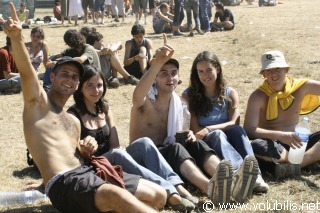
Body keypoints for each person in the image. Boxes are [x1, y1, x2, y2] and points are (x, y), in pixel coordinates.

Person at [2, 3, 158, 213]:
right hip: (64, 183)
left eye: (75, 77)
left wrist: (86, 147)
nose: (70, 79)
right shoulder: (38, 104)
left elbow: (70, 153)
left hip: (88, 172)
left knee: (157, 195)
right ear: (53, 76)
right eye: (64, 74)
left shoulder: (73, 119)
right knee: (115, 195)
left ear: (78, 85)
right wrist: (17, 38)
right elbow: (27, 71)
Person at [129, 34, 259, 204]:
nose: (170, 78)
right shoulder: (146, 101)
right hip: (145, 157)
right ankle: (211, 188)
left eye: (174, 73)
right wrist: (157, 63)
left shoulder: (179, 103)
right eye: (163, 74)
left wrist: (190, 134)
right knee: (175, 148)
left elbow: (184, 132)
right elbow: (136, 96)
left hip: (170, 156)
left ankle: (233, 181)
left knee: (196, 143)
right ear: (155, 77)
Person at [67, 64, 196, 211]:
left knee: (144, 143)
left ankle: (179, 188)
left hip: (112, 159)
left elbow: (114, 144)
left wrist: (120, 154)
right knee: (117, 153)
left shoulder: (104, 108)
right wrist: (85, 149)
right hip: (92, 167)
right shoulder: (73, 115)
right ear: (80, 88)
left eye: (99, 85)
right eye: (90, 85)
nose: (96, 90)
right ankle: (171, 193)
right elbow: (73, 158)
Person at [182, 51, 269, 194]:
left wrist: (209, 128)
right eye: (201, 72)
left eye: (209, 70)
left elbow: (234, 122)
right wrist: (210, 131)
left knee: (238, 131)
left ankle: (256, 175)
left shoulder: (230, 93)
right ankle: (239, 174)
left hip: (229, 141)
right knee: (217, 135)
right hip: (207, 146)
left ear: (217, 68)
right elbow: (197, 131)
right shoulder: (189, 95)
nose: (205, 76)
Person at [243, 50, 320, 178]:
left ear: (286, 69)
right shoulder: (257, 96)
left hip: (298, 143)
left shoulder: (300, 87)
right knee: (256, 146)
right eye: (269, 70)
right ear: (263, 74)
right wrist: (281, 136)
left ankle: (294, 165)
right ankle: (308, 161)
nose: (274, 73)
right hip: (274, 147)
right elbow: (249, 129)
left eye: (278, 68)